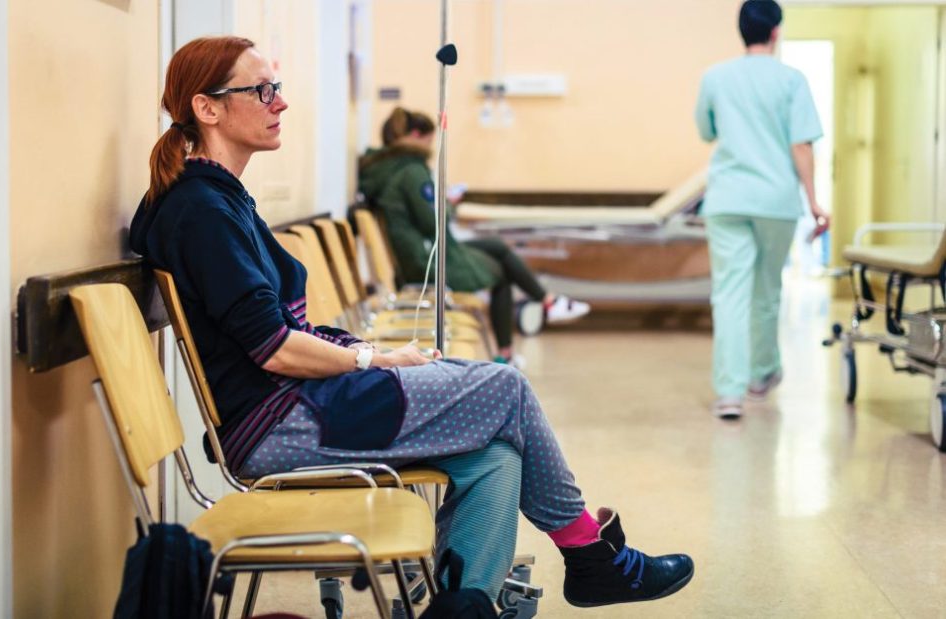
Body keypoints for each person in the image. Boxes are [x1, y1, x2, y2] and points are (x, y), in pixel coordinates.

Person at [129, 36, 693, 608]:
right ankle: (590, 557)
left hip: (298, 407)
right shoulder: (201, 212)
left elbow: (272, 333)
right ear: (208, 108)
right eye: (263, 90)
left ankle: (464, 603)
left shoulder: (220, 202)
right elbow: (273, 349)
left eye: (278, 90)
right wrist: (373, 358)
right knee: (506, 388)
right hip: (282, 425)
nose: (281, 104)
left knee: (497, 456)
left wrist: (363, 350)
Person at [357, 108, 590, 366]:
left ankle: (545, 305)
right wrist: (449, 206)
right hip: (424, 264)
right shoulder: (412, 171)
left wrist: (441, 203)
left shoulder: (386, 170)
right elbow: (432, 222)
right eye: (430, 140)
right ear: (416, 135)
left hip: (417, 254)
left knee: (497, 247)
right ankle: (516, 343)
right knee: (501, 271)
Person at [694, 0, 829, 419]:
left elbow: (706, 130)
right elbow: (801, 145)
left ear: (743, 31)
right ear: (775, 32)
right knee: (767, 290)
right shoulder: (792, 80)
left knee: (730, 293)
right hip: (775, 202)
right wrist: (814, 201)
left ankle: (729, 394)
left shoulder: (715, 77)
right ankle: (762, 374)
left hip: (728, 199)